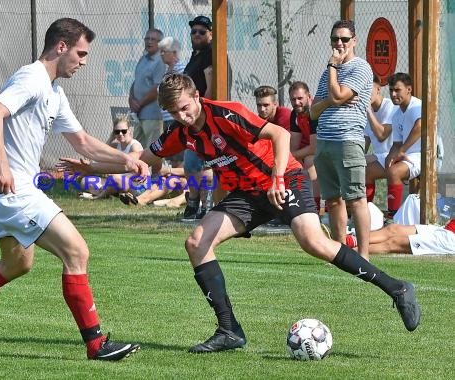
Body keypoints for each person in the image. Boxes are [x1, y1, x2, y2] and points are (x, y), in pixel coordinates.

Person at [59, 73, 421, 354]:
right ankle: (230, 330)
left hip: (283, 179)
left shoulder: (226, 113)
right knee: (197, 242)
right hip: (247, 194)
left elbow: (280, 135)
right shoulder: (180, 133)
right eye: (174, 113)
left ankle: (397, 288)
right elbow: (139, 163)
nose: (183, 117)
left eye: (186, 108)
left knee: (314, 243)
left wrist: (278, 178)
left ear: (196, 97)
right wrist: (90, 170)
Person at [0, 18, 146, 361]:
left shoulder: (54, 91)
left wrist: (127, 160)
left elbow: (84, 142)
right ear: (61, 47)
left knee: (16, 264)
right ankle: (96, 344)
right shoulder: (32, 78)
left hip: (13, 185)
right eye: (81, 53)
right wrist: (2, 163)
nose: (83, 61)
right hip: (13, 186)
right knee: (76, 252)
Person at [310, 20, 373, 261]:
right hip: (325, 141)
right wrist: (330, 101)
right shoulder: (329, 71)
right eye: (335, 39)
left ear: (354, 41)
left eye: (344, 39)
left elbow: (338, 94)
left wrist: (332, 68)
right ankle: (340, 253)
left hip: (348, 140)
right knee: (333, 200)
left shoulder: (360, 68)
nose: (339, 44)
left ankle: (364, 255)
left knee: (356, 199)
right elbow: (314, 111)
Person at [181, 15, 215, 221]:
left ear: (211, 34)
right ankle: (193, 204)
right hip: (192, 119)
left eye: (202, 31)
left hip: (202, 118)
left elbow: (210, 86)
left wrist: (204, 113)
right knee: (191, 163)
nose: (197, 35)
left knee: (206, 163)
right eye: (194, 31)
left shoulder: (210, 54)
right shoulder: (197, 55)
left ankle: (205, 206)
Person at [78, 115, 144, 200]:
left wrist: (116, 176)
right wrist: (111, 137)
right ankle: (110, 194)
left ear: (129, 131)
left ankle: (99, 197)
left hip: (136, 185)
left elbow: (137, 173)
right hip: (117, 182)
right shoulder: (116, 145)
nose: (120, 134)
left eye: (123, 131)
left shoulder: (134, 146)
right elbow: (102, 153)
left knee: (114, 179)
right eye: (117, 131)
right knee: (85, 181)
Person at [385, 72, 422, 217]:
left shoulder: (417, 106)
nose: (393, 94)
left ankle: (392, 217)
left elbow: (420, 127)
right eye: (391, 90)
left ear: (409, 89)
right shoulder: (396, 115)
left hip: (424, 155)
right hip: (407, 155)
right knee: (369, 170)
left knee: (393, 172)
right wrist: (390, 157)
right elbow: (396, 144)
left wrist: (401, 151)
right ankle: (355, 214)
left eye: (397, 90)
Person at [128, 28, 166, 149]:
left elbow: (157, 88)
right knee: (136, 150)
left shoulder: (160, 62)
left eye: (153, 39)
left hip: (153, 116)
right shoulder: (143, 59)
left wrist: (139, 104)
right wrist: (131, 99)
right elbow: (136, 81)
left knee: (153, 150)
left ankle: (158, 169)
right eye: (147, 38)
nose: (149, 42)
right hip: (139, 115)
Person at [287, 81, 320, 212]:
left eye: (300, 98)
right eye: (293, 99)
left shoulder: (314, 112)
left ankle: (315, 209)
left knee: (309, 161)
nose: (296, 102)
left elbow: (314, 148)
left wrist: (289, 156)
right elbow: (293, 147)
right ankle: (293, 206)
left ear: (309, 97)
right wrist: (291, 158)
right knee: (290, 164)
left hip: (329, 149)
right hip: (311, 150)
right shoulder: (294, 114)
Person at [364, 74, 397, 204]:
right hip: (380, 157)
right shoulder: (368, 111)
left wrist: (368, 111)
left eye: (369, 89)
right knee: (350, 164)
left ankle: (369, 210)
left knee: (367, 170)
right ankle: (355, 210)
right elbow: (364, 143)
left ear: (378, 89)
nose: (365, 93)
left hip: (393, 155)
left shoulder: (389, 106)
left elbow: (381, 135)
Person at [345, 219, 454, 255]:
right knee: (394, 229)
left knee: (394, 243)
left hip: (451, 240)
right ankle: (349, 241)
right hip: (445, 229)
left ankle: (346, 254)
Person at [159, 36, 187, 168]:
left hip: (176, 118)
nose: (161, 54)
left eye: (164, 51)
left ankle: (183, 187)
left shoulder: (181, 70)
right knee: (172, 157)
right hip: (167, 118)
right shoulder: (167, 71)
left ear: (174, 53)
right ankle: (176, 186)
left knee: (179, 157)